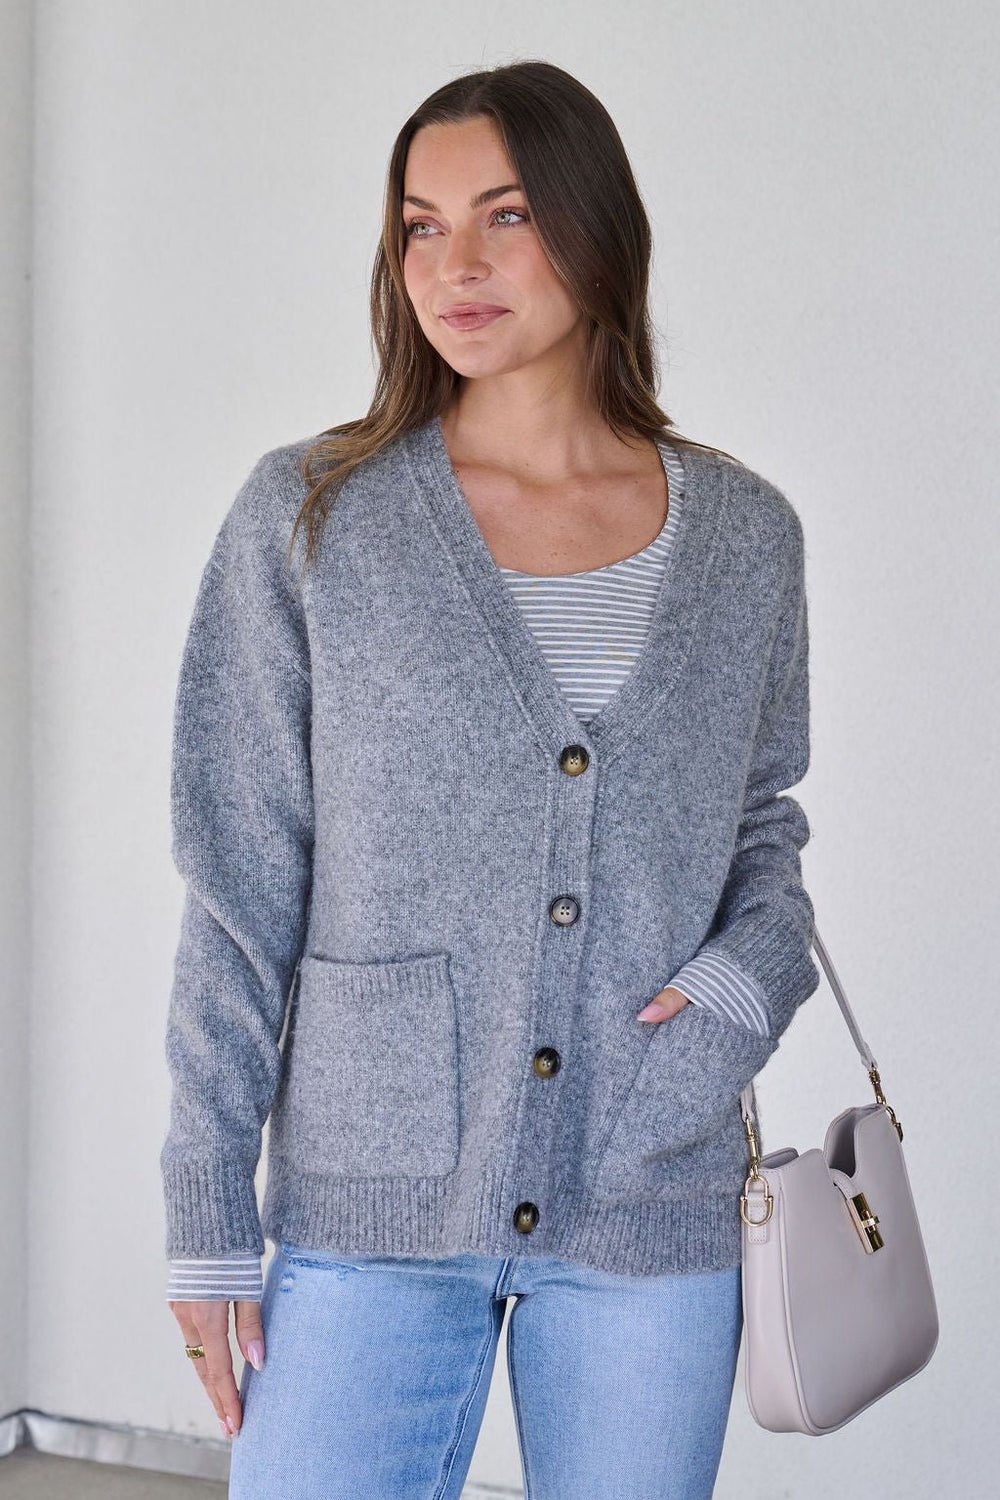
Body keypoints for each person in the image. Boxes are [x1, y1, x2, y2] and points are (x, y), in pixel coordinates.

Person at [161, 58, 819, 1500]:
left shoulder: (746, 540)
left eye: (504, 216)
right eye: (417, 224)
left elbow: (764, 829)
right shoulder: (312, 518)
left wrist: (732, 1000)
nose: (451, 264)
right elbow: (235, 879)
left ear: (596, 227)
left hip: (651, 1195)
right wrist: (206, 1206)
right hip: (366, 1204)